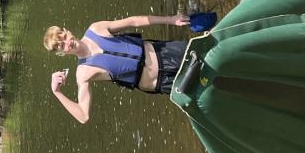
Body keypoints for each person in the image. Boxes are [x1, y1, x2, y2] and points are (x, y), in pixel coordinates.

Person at [43, 14, 194, 119]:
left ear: (67, 31)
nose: (68, 43)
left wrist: (171, 20)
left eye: (64, 37)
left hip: (166, 51)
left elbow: (133, 21)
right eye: (62, 46)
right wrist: (57, 92)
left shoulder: (95, 29)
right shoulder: (83, 73)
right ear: (61, 53)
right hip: (163, 81)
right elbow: (83, 116)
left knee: (205, 53)